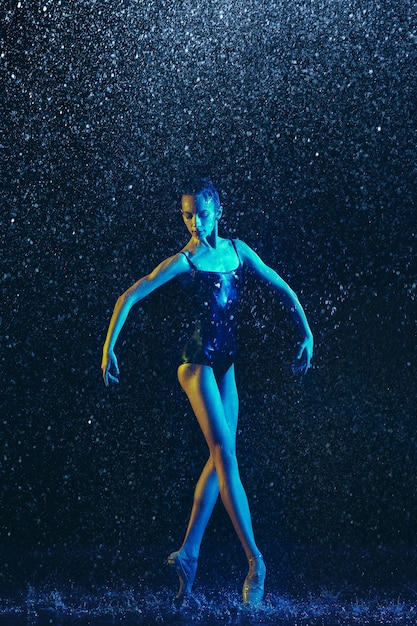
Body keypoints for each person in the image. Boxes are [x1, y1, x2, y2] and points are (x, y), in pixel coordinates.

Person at [101, 179, 313, 606]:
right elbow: (132, 293)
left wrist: (306, 332)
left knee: (220, 462)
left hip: (226, 364)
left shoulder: (237, 251)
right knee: (226, 456)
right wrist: (109, 346)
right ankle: (256, 563)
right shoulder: (186, 260)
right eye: (186, 214)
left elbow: (281, 285)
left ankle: (189, 554)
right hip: (195, 363)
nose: (194, 222)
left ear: (217, 207)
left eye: (200, 212)